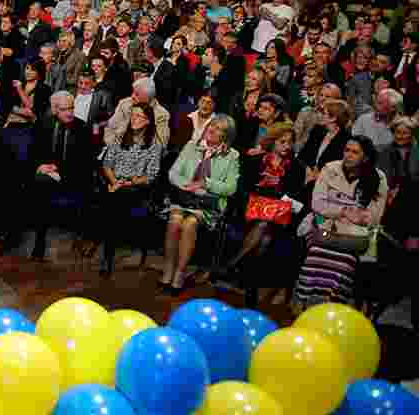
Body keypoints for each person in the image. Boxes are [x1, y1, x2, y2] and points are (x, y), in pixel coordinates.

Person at [293, 136, 388, 308]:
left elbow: (375, 216)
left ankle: (332, 305)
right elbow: (317, 204)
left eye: (354, 152)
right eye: (346, 150)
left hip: (354, 234)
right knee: (316, 251)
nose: (348, 155)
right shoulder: (330, 169)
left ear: (365, 157)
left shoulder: (378, 178)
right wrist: (343, 211)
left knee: (344, 259)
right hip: (323, 226)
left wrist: (355, 218)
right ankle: (304, 302)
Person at [1, 92, 93, 259]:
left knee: (40, 186)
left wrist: (58, 171)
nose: (70, 113)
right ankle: (15, 236)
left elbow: (85, 163)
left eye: (72, 108)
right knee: (17, 182)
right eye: (65, 109)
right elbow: (33, 153)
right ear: (54, 110)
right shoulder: (43, 124)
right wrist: (39, 166)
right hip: (45, 174)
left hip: (72, 177)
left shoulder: (83, 128)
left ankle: (39, 241)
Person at [214, 123, 306, 283]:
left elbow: (297, 199)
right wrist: (253, 199)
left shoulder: (297, 168)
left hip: (278, 214)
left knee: (265, 226)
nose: (287, 146)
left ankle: (232, 265)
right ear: (272, 141)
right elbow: (241, 189)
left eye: (290, 142)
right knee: (265, 237)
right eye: (282, 142)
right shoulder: (255, 161)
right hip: (250, 208)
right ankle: (246, 277)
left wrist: (279, 184)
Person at [162, 116, 241, 294]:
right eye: (211, 125)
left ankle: (180, 274)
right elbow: (173, 173)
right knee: (175, 220)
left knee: (189, 223)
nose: (212, 130)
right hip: (184, 199)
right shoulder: (192, 146)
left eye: (218, 128)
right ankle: (168, 268)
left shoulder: (232, 156)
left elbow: (231, 188)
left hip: (208, 204)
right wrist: (187, 185)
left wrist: (206, 183)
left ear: (226, 136)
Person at [96, 103, 164, 275]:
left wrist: (127, 183)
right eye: (132, 115)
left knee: (114, 201)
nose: (134, 119)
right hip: (115, 184)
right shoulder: (119, 138)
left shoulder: (154, 146)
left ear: (148, 121)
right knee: (111, 198)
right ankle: (107, 255)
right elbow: (107, 165)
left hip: (136, 187)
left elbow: (151, 176)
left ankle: (106, 254)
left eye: (139, 116)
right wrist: (114, 182)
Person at [103, 77, 171, 147]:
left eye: (137, 94)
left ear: (148, 97)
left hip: (143, 155)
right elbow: (109, 129)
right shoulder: (124, 104)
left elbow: (161, 145)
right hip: (117, 149)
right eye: (133, 92)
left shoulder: (161, 114)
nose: (132, 96)